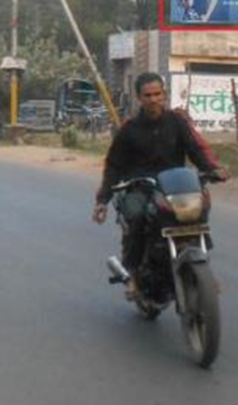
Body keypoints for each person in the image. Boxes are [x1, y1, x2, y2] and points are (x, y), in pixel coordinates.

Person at [92, 72, 229, 299]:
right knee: (135, 216)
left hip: (174, 186)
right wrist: (102, 200)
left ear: (164, 95)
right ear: (139, 98)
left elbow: (195, 150)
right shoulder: (129, 129)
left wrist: (213, 169)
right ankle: (134, 276)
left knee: (197, 210)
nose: (154, 99)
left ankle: (205, 268)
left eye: (157, 94)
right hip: (140, 186)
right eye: (148, 95)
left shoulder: (177, 122)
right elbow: (113, 166)